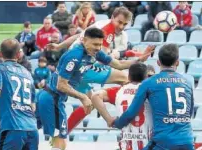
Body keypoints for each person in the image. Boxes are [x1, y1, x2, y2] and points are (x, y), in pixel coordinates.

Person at [36, 27, 152, 150]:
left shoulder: (94, 54)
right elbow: (61, 85)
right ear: (84, 41)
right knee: (60, 141)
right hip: (52, 98)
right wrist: (83, 97)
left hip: (53, 99)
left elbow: (118, 64)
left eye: (100, 44)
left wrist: (139, 60)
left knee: (34, 133)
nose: (98, 47)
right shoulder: (73, 55)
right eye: (95, 44)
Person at [47, 7, 155, 136]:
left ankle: (62, 136)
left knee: (90, 104)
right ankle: (138, 120)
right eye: (119, 22)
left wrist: (59, 46)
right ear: (112, 17)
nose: (121, 26)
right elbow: (106, 58)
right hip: (82, 67)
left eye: (125, 24)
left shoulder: (99, 25)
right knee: (126, 78)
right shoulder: (107, 30)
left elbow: (79, 36)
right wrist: (132, 56)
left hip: (76, 70)